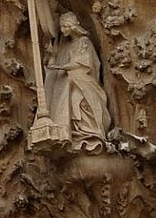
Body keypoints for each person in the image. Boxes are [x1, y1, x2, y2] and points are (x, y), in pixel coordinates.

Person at [43, 13, 111, 151]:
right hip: (72, 80)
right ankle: (76, 133)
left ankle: (90, 133)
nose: (62, 30)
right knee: (70, 101)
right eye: (61, 27)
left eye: (65, 26)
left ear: (72, 26)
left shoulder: (84, 42)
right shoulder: (65, 46)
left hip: (83, 80)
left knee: (79, 101)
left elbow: (83, 63)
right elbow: (54, 61)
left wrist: (62, 67)